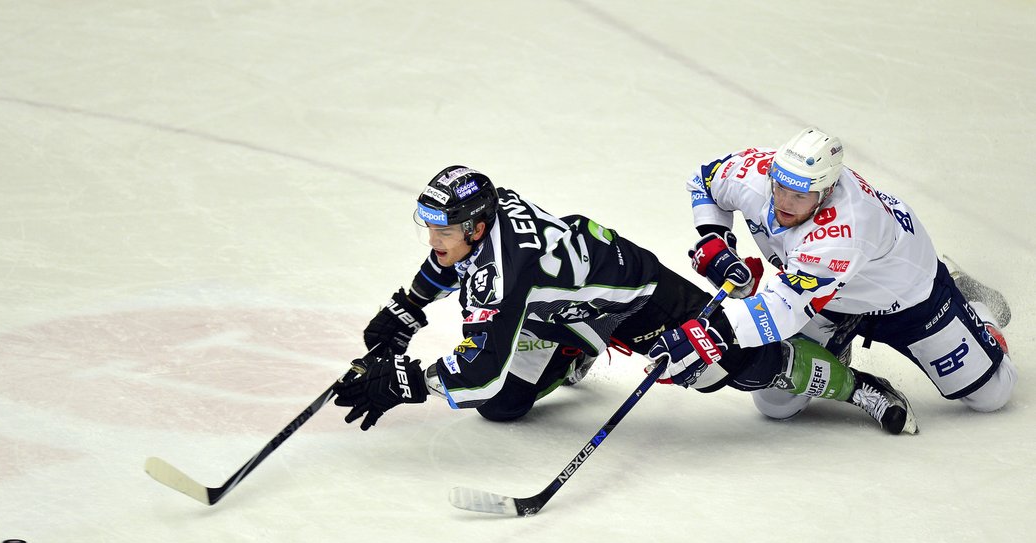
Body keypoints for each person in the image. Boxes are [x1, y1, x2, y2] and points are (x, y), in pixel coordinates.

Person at [332, 165, 916, 433]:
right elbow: (448, 263)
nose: (434, 240)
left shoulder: (506, 272)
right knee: (503, 408)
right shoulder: (481, 228)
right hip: (559, 304)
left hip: (636, 294)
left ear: (478, 228)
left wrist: (403, 382)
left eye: (444, 228)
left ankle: (854, 384)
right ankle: (569, 352)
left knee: (732, 369)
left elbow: (479, 369)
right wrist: (406, 310)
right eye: (429, 226)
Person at [648, 127, 1017, 430]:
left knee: (992, 395)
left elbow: (782, 308)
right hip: (829, 298)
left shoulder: (844, 229)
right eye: (779, 187)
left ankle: (970, 306)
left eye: (800, 195)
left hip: (909, 299)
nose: (783, 203)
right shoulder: (756, 172)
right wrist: (715, 238)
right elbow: (704, 181)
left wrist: (714, 335)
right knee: (775, 404)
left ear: (826, 192)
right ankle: (840, 350)